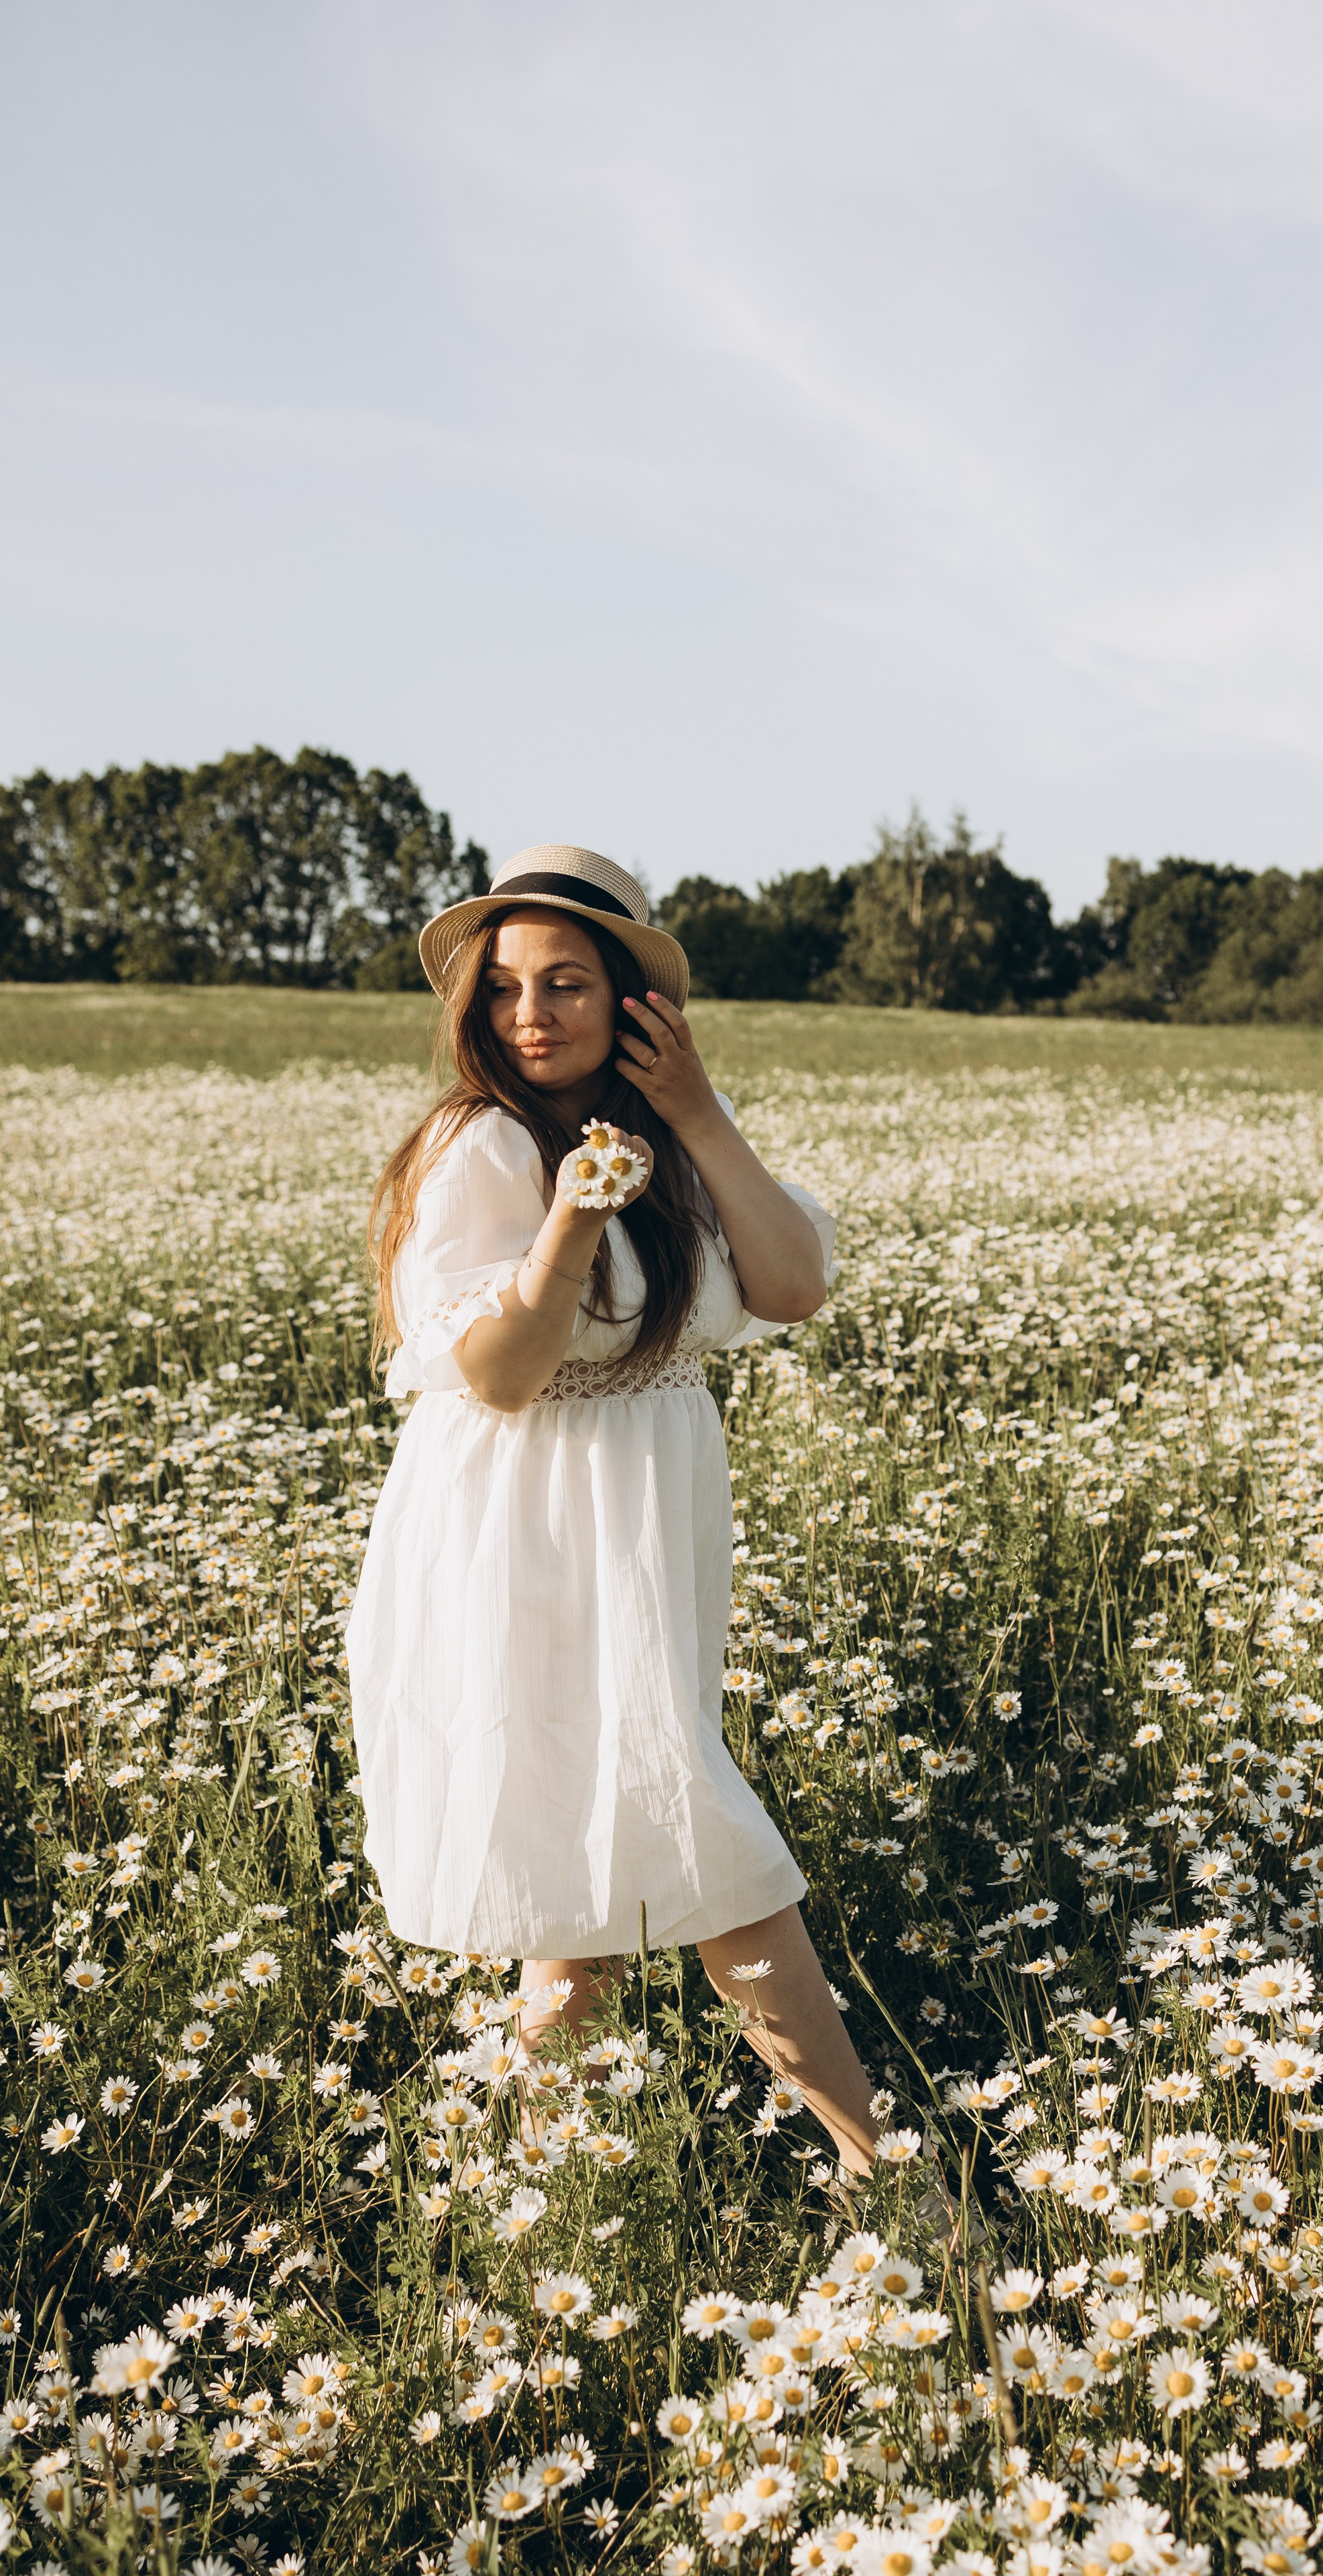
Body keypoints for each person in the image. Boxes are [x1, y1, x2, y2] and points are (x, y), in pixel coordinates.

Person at [347, 844, 879, 2176]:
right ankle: (886, 2175)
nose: (530, 1012)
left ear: (635, 999)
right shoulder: (474, 1148)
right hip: (519, 1530)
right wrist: (569, 1223)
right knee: (693, 1826)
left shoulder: (679, 1137)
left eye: (568, 982)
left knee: (573, 1863)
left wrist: (696, 1114)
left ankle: (509, 2193)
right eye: (508, 987)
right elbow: (501, 1369)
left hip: (641, 1517)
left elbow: (792, 1281)